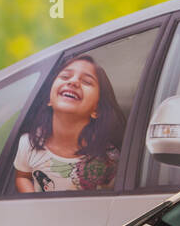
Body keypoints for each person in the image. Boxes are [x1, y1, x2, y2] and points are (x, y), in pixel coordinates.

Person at [13, 54, 126, 192]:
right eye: (65, 76)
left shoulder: (108, 158)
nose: (73, 82)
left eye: (86, 81)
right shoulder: (29, 143)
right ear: (49, 98)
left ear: (97, 110)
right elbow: (23, 177)